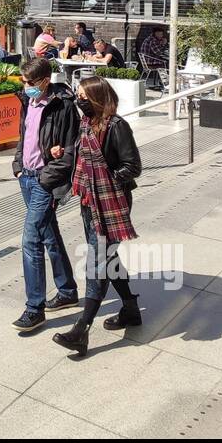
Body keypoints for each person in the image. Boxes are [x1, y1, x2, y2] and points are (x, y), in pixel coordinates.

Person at [51, 76, 142, 357]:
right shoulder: (86, 124)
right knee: (108, 256)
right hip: (90, 200)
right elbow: (82, 159)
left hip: (111, 201)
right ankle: (130, 309)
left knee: (98, 260)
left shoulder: (117, 126)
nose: (79, 100)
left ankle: (82, 328)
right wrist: (62, 151)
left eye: (83, 96)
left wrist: (107, 180)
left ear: (97, 99)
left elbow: (133, 165)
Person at [11, 58, 80, 333]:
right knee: (49, 234)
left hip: (43, 181)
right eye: (23, 82)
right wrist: (18, 166)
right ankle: (67, 290)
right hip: (26, 177)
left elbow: (70, 150)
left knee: (31, 241)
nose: (25, 87)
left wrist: (45, 178)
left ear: (44, 81)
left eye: (29, 83)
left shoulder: (63, 106)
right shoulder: (27, 101)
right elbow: (24, 137)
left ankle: (34, 308)